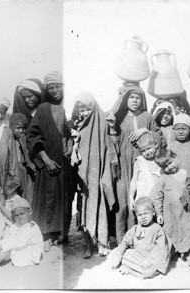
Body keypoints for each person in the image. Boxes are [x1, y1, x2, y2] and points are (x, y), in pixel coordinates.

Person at [27, 71, 74, 250]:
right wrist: (46, 160)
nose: (55, 90)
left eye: (58, 86)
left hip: (65, 163)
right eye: (51, 87)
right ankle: (46, 236)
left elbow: (71, 131)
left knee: (64, 197)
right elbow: (33, 136)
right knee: (47, 197)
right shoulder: (43, 109)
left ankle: (61, 233)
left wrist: (70, 144)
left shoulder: (67, 106)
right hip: (47, 162)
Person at [105, 83, 156, 243]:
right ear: (125, 99)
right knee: (124, 203)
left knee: (142, 201)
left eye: (137, 97)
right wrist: (112, 127)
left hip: (144, 164)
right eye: (131, 97)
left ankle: (143, 240)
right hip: (124, 166)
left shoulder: (147, 116)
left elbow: (158, 136)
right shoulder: (119, 117)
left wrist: (145, 131)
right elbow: (114, 143)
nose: (134, 100)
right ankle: (123, 241)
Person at [70, 92, 116, 258]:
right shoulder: (77, 126)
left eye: (87, 109)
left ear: (93, 108)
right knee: (84, 209)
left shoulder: (102, 125)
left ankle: (103, 243)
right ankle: (89, 245)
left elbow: (110, 148)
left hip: (99, 174)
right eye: (80, 109)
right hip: (83, 177)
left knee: (100, 206)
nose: (83, 112)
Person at [151, 148, 190, 258]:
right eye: (165, 167)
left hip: (185, 211)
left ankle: (187, 250)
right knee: (171, 231)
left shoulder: (185, 173)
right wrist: (158, 213)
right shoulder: (163, 178)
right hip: (170, 213)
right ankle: (173, 251)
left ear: (175, 157)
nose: (169, 167)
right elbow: (156, 196)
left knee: (187, 228)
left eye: (170, 163)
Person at [110, 197, 169, 279]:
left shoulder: (157, 229)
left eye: (146, 213)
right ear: (136, 216)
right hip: (138, 257)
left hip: (150, 261)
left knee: (150, 271)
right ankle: (133, 269)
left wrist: (150, 260)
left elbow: (161, 248)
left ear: (153, 212)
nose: (143, 217)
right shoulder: (135, 228)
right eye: (140, 215)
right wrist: (118, 255)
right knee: (125, 254)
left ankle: (131, 269)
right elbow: (125, 242)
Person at [0, 197, 43, 270]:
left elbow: (16, 242)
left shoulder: (31, 228)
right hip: (23, 247)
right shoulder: (19, 224)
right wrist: (0, 244)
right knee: (1, 244)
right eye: (16, 215)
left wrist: (3, 245)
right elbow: (11, 237)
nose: (20, 217)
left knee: (7, 246)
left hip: (31, 254)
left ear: (30, 211)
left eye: (22, 213)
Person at [128, 129, 161, 223]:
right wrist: (131, 198)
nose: (147, 152)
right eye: (143, 151)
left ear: (155, 144)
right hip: (143, 199)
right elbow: (134, 181)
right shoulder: (139, 161)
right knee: (145, 223)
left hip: (158, 199)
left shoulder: (160, 160)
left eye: (149, 148)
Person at [9, 113, 36, 205]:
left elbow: (28, 158)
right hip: (13, 176)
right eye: (18, 128)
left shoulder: (25, 140)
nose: (21, 131)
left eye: (24, 128)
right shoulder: (7, 141)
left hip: (25, 175)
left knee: (28, 200)